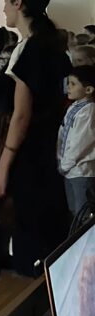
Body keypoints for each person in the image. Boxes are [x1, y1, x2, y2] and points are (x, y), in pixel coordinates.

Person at [0, 0, 72, 287]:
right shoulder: (50, 47)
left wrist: (4, 166)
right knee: (34, 221)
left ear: (19, 3)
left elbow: (21, 115)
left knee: (17, 218)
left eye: (6, 2)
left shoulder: (33, 50)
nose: (3, 8)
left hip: (24, 151)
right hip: (40, 148)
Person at [57, 65, 95, 217]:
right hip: (70, 170)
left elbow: (81, 143)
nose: (68, 87)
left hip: (82, 171)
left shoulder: (89, 110)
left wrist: (65, 164)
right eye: (68, 83)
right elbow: (63, 134)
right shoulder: (74, 107)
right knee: (74, 212)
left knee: (83, 214)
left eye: (73, 84)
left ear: (88, 90)